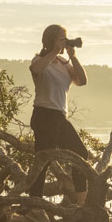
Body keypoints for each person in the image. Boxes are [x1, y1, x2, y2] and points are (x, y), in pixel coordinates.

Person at [28, 24, 90, 203]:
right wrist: (54, 51)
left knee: (80, 154)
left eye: (65, 38)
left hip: (60, 117)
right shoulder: (39, 60)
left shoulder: (64, 63)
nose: (65, 41)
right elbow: (36, 70)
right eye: (61, 38)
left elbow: (82, 81)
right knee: (42, 161)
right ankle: (34, 204)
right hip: (43, 115)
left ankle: (81, 201)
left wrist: (73, 56)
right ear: (51, 40)